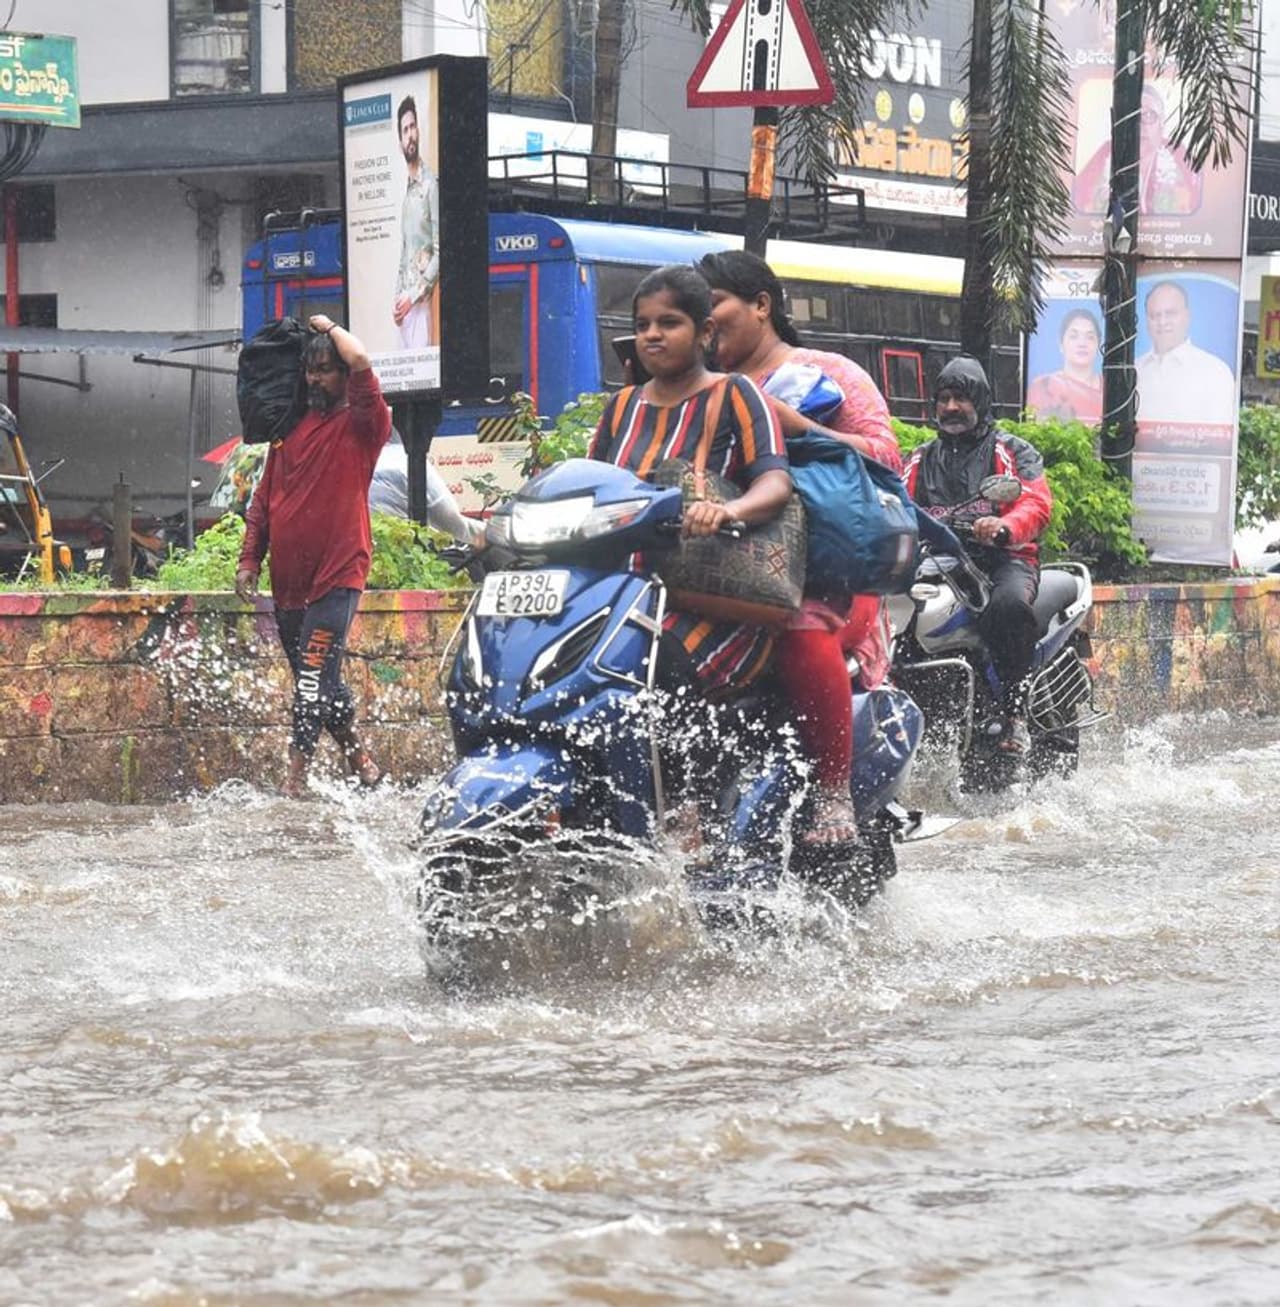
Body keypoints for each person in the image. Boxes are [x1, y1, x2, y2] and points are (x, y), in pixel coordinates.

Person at [696, 248, 901, 845]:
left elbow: (886, 459)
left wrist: (800, 426)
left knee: (800, 627)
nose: (702, 327)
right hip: (716, 568)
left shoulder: (827, 371)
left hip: (824, 573)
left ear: (762, 305)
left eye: (713, 308)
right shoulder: (693, 388)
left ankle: (833, 793)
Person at [587, 265, 792, 832]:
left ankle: (688, 808)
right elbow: (587, 485)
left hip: (708, 598)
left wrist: (726, 510)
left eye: (669, 323)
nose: (653, 335)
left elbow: (775, 482)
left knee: (657, 659)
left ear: (704, 332)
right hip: (620, 595)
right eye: (643, 324)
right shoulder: (620, 408)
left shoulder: (735, 394)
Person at [235, 314, 393, 797]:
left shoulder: (364, 425)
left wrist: (327, 326)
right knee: (321, 679)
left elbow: (362, 358)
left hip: (338, 573)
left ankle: (294, 778)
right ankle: (361, 761)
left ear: (343, 376)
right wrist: (248, 560)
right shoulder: (288, 431)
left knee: (309, 677)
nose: (315, 379)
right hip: (289, 583)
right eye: (310, 370)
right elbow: (264, 500)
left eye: (325, 369)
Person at [904, 356, 1054, 756]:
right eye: (944, 398)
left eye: (962, 398)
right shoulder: (921, 458)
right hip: (936, 562)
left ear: (982, 401)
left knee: (1006, 608)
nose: (951, 407)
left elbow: (1035, 502)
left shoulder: (1009, 450)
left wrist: (1004, 528)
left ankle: (1014, 714)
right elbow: (892, 503)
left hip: (1002, 560)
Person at [1073, 84, 1202, 217]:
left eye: (1150, 115)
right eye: (1133, 116)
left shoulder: (1177, 152)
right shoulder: (1106, 152)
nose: (1140, 124)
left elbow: (1199, 202)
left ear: (1161, 124)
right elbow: (1079, 198)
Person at [1135, 280, 1237, 425]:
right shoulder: (1134, 370)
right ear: (1146, 321)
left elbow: (1220, 435)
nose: (1162, 322)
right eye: (1154, 315)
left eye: (1170, 313)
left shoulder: (1215, 371)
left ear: (1187, 316)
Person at [392, 94, 439, 349]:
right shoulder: (408, 191)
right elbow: (404, 250)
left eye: (412, 127)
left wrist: (414, 295)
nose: (409, 135)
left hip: (423, 304)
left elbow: (441, 250)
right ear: (400, 141)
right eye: (404, 130)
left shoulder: (432, 185)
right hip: (406, 307)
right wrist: (398, 299)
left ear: (419, 131)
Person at [1026, 308, 1103, 424]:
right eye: (1074, 336)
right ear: (1061, 344)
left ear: (1098, 345)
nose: (1082, 343)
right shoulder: (1043, 386)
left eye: (1090, 337)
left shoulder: (1110, 391)